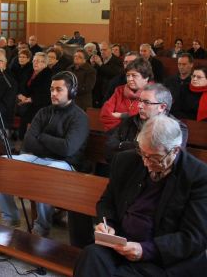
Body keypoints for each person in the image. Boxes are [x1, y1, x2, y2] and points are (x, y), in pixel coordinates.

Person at [74, 115, 207, 276]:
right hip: (122, 244)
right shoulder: (127, 160)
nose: (145, 162)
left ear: (176, 150)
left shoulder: (198, 176)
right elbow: (107, 201)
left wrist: (146, 250)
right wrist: (107, 223)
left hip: (162, 257)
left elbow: (194, 237)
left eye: (154, 158)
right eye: (143, 153)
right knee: (91, 256)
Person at [0, 71, 89, 236]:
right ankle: (10, 218)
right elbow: (28, 142)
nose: (53, 93)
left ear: (72, 91)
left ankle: (41, 227)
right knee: (4, 162)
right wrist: (52, 143)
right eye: (52, 89)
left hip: (65, 165)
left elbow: (68, 148)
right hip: (38, 158)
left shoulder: (79, 117)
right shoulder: (44, 112)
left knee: (47, 173)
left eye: (59, 89)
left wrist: (42, 137)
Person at [105, 84, 188, 165]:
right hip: (124, 171)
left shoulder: (177, 128)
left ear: (162, 107)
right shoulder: (130, 121)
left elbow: (168, 160)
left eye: (146, 102)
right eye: (140, 100)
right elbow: (109, 150)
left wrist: (123, 145)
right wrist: (136, 147)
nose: (139, 105)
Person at [101, 58, 153, 130]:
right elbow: (105, 114)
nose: (129, 79)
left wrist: (121, 115)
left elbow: (146, 119)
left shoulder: (154, 93)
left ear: (146, 77)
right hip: (115, 134)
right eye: (128, 75)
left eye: (134, 75)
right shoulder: (119, 90)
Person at [17, 52, 52, 139]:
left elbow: (46, 95)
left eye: (39, 61)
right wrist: (20, 95)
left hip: (41, 105)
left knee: (28, 118)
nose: (35, 63)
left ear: (45, 63)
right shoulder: (30, 72)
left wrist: (30, 99)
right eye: (34, 61)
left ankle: (26, 143)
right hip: (28, 102)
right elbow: (22, 86)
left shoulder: (48, 75)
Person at [90, 41, 123, 108]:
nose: (102, 52)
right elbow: (93, 75)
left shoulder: (118, 61)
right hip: (97, 93)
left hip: (110, 93)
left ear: (110, 50)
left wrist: (101, 64)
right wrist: (92, 65)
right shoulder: (98, 59)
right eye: (101, 50)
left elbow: (113, 73)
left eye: (104, 50)